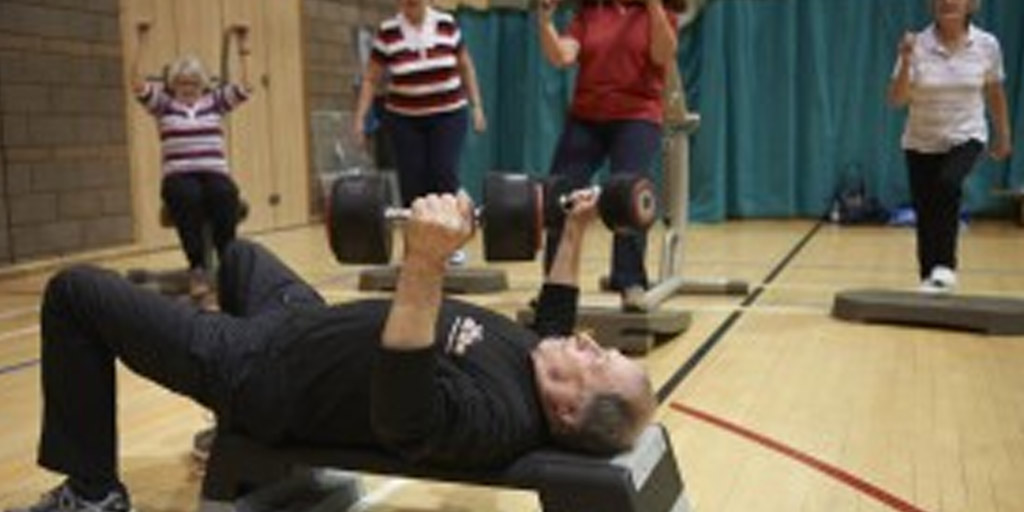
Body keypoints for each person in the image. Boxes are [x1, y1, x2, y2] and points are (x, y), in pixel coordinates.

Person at [6, 190, 656, 512]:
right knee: (242, 255)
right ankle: (231, 431)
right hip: (302, 325)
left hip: (262, 371)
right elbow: (559, 311)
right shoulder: (542, 361)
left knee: (75, 292)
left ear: (567, 411)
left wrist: (424, 262)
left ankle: (92, 493)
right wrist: (575, 229)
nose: (586, 341)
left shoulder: (498, 417)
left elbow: (405, 415)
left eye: (598, 362)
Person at [537, 0, 682, 310]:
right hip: (587, 117)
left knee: (629, 196)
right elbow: (562, 56)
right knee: (559, 194)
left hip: (637, 115)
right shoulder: (591, 13)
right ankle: (555, 283)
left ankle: (630, 281)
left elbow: (663, 55)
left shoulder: (660, 13)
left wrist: (653, 6)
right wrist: (546, 22)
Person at [888, 0, 1013, 293]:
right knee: (926, 209)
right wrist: (905, 60)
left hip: (967, 135)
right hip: (921, 140)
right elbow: (897, 99)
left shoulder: (987, 45)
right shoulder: (917, 44)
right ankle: (929, 277)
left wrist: (1003, 135)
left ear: (970, 5)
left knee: (947, 184)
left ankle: (945, 266)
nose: (948, 2)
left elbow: (995, 92)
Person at [352, 0, 488, 266]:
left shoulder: (446, 24)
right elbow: (371, 79)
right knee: (412, 182)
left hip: (448, 115)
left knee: (443, 173)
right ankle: (416, 246)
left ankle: (450, 243)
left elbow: (465, 66)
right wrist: (359, 119)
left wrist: (477, 107)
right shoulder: (388, 32)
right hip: (404, 119)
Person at [131, 24, 254, 298]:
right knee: (187, 196)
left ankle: (228, 265)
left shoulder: (214, 102)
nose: (188, 88)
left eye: (194, 83)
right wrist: (141, 41)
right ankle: (197, 267)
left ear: (203, 85)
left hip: (213, 172)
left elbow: (246, 87)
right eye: (182, 83)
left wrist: (243, 47)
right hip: (179, 175)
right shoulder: (164, 105)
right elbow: (137, 84)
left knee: (225, 193)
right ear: (173, 85)